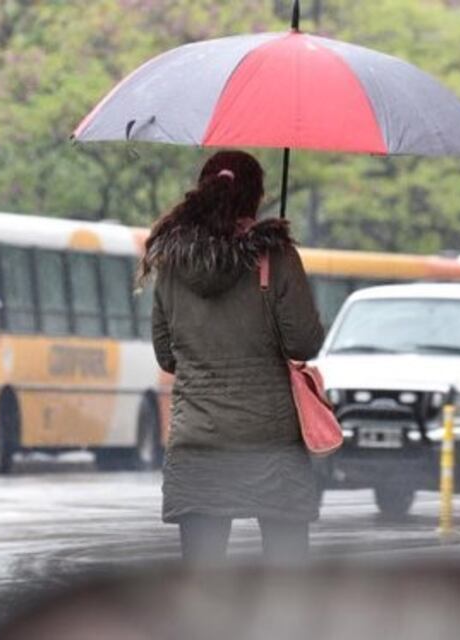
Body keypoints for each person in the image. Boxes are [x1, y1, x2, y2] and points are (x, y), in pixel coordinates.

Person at [137, 150, 325, 564]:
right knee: (287, 574)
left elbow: (167, 356)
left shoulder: (172, 261)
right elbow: (303, 343)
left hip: (198, 442)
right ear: (256, 197)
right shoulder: (275, 256)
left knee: (202, 579)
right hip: (270, 442)